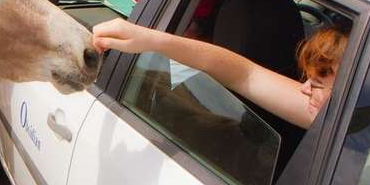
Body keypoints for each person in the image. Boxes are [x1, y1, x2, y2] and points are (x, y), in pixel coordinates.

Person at [92, 17, 348, 129]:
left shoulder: (338, 117)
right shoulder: (332, 114)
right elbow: (245, 73)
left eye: (317, 83)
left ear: (352, 93)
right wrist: (152, 41)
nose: (303, 89)